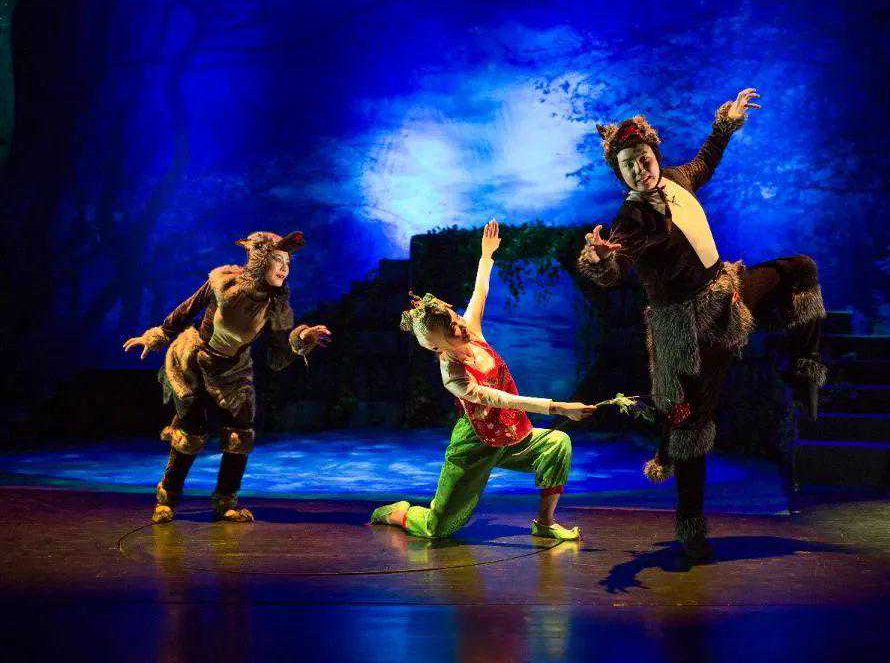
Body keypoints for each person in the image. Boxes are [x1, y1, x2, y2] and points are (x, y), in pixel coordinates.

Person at [578, 89, 827, 560]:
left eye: (644, 158)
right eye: (628, 165)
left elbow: (706, 159)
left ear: (655, 155)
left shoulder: (677, 178)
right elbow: (616, 268)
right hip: (685, 331)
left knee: (800, 270)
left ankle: (804, 371)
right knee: (691, 426)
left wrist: (726, 123)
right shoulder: (632, 217)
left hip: (725, 293)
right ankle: (690, 527)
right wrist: (600, 258)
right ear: (620, 172)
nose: (640, 168)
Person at [375, 219, 595, 540]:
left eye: (455, 318)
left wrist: (486, 255)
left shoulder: (471, 329)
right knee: (439, 528)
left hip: (511, 433)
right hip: (474, 444)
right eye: (451, 329)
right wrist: (558, 407)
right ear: (437, 346)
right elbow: (499, 398)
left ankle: (545, 523)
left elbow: (480, 291)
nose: (460, 326)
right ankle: (397, 513)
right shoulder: (453, 375)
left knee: (557, 444)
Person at [123, 231, 332, 523]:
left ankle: (225, 502)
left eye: (287, 262)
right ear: (261, 260)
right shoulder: (223, 283)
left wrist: (303, 338)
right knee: (189, 434)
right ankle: (166, 498)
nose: (284, 268)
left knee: (240, 435)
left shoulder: (275, 304)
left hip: (234, 371)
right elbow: (186, 310)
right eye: (277, 260)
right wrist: (157, 335)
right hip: (196, 362)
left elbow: (277, 355)